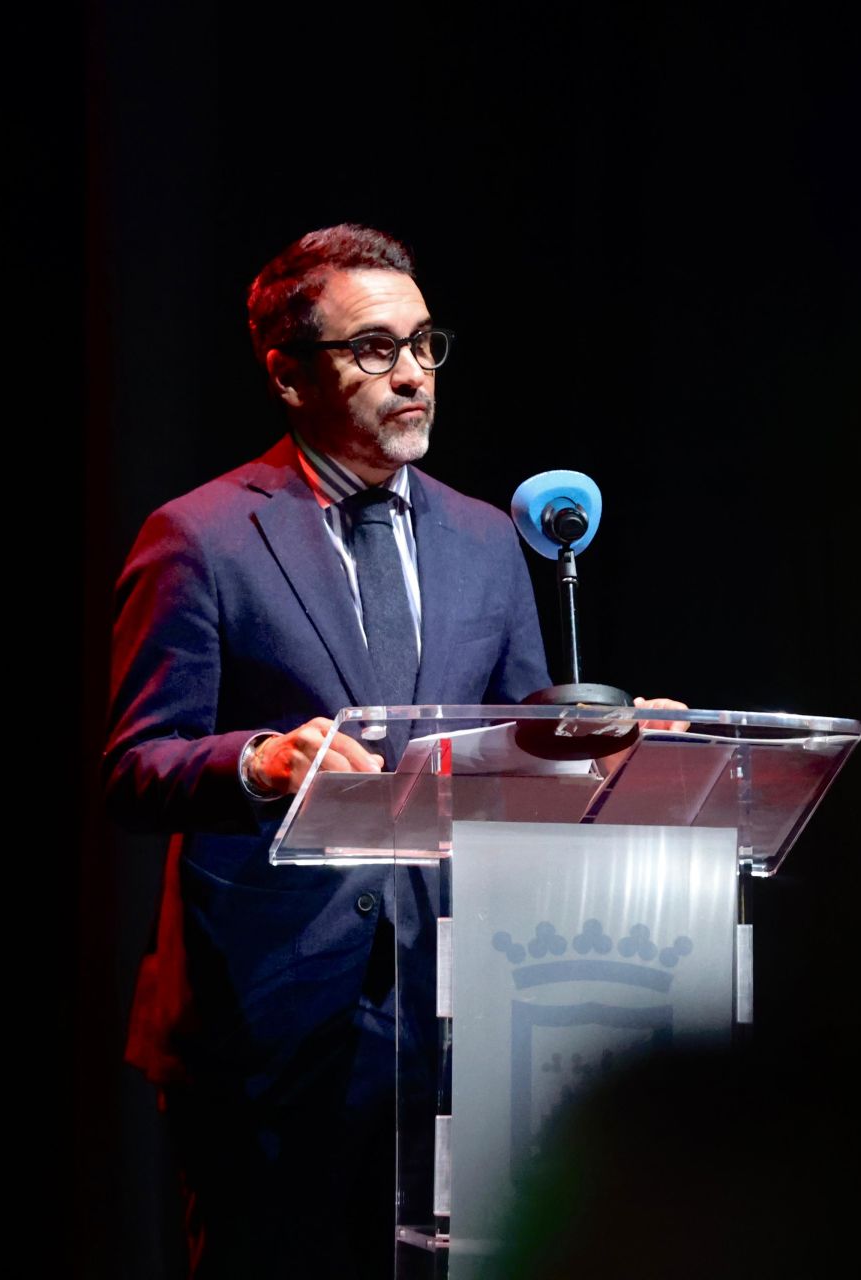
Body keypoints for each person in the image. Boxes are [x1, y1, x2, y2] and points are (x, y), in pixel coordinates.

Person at [104, 224, 681, 1277]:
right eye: (374, 348)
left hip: (460, 1008)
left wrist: (607, 742)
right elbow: (137, 763)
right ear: (288, 373)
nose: (411, 371)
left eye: (423, 344)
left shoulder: (487, 536)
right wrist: (260, 762)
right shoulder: (199, 537)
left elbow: (519, 749)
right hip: (268, 1020)